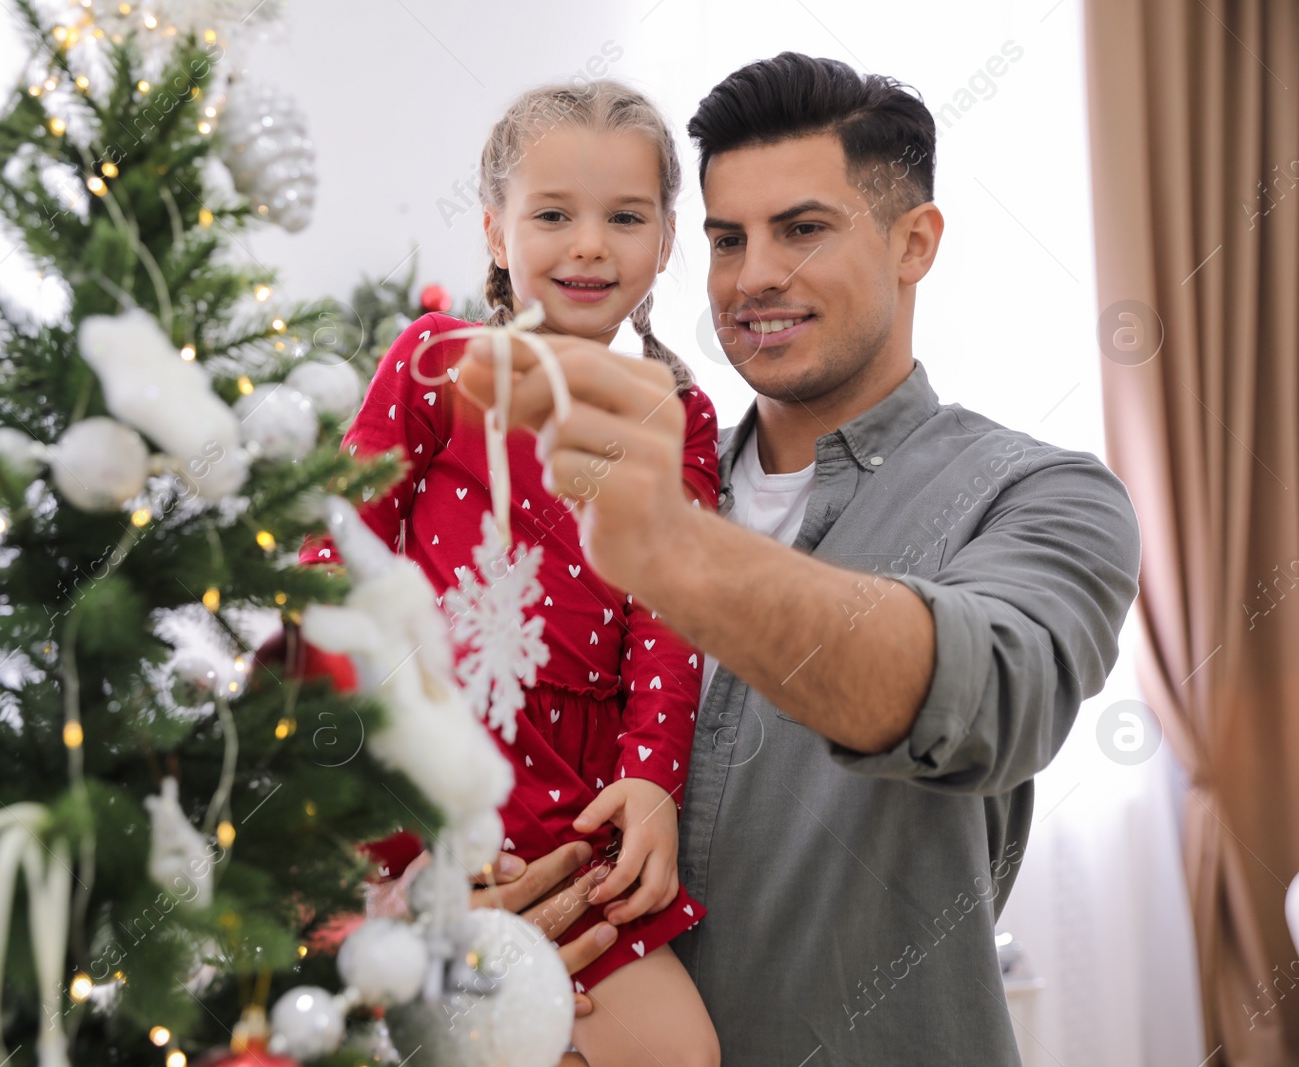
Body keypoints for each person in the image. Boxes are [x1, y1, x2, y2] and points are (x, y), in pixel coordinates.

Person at [456, 53, 1142, 1065]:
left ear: (916, 243)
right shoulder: (628, 479)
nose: (753, 276)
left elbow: (990, 696)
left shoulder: (1041, 492)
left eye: (803, 229)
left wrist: (680, 552)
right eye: (728, 239)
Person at [304, 79, 721, 1066]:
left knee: (677, 1051)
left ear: (665, 241)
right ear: (495, 230)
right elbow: (335, 541)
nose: (588, 244)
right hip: (414, 779)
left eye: (624, 217)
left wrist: (650, 782)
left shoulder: (676, 415)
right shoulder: (432, 362)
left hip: (572, 813)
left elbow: (673, 612)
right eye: (552, 215)